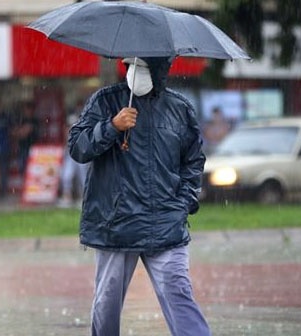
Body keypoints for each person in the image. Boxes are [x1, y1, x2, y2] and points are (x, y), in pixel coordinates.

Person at [67, 56, 210, 336]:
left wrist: (183, 204)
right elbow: (78, 148)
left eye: (142, 67)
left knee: (179, 293)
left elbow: (193, 161)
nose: (134, 72)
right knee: (106, 303)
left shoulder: (179, 109)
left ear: (160, 69)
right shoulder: (105, 102)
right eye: (129, 65)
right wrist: (111, 127)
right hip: (116, 223)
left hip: (166, 224)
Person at [58, 113, 89, 209]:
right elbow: (66, 145)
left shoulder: (82, 131)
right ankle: (67, 197)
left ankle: (84, 199)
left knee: (83, 178)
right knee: (66, 176)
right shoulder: (67, 131)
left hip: (81, 156)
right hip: (70, 156)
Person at [13, 101, 39, 176]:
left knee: (32, 168)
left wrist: (20, 131)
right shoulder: (20, 120)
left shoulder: (34, 121)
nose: (27, 111)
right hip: (22, 147)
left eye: (28, 109)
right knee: (22, 167)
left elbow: (24, 132)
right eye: (25, 109)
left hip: (32, 147)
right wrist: (20, 131)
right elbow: (14, 132)